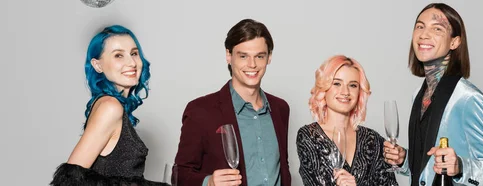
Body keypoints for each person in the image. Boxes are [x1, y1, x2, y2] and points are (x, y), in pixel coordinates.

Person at [383, 3, 483, 186]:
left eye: (437, 28)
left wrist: (460, 166)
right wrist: (405, 159)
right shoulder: (419, 96)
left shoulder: (468, 99)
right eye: (420, 26)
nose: (424, 34)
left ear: (455, 42)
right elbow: (426, 169)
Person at [173, 19, 291, 186]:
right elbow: (179, 175)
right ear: (229, 56)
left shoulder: (280, 109)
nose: (252, 64)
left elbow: (282, 168)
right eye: (243, 56)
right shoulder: (200, 111)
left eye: (259, 56)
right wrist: (209, 182)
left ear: (269, 57)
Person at [50, 25, 167, 185]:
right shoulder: (110, 107)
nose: (131, 62)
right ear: (98, 65)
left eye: (134, 53)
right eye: (118, 55)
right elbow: (70, 180)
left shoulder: (109, 104)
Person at [297, 55, 398, 186]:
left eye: (353, 85)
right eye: (337, 83)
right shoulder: (309, 136)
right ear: (324, 88)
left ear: (359, 92)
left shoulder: (373, 139)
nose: (345, 92)